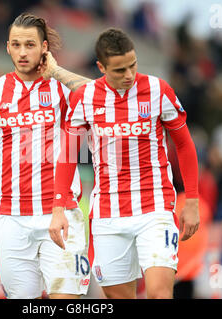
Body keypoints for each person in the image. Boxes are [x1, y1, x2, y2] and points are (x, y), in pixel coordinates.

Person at [47, 28, 200, 299]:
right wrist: (58, 207)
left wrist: (192, 201)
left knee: (158, 294)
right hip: (108, 213)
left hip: (154, 208)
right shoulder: (85, 98)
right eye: (119, 70)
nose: (128, 75)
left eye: (132, 65)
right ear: (101, 67)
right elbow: (68, 155)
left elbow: (185, 145)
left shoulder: (158, 90)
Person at [0, 13, 92, 299]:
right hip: (11, 219)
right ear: (7, 47)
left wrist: (58, 72)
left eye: (30, 44)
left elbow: (107, 96)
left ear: (44, 48)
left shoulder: (62, 88)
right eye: (16, 44)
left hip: (61, 213)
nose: (23, 52)